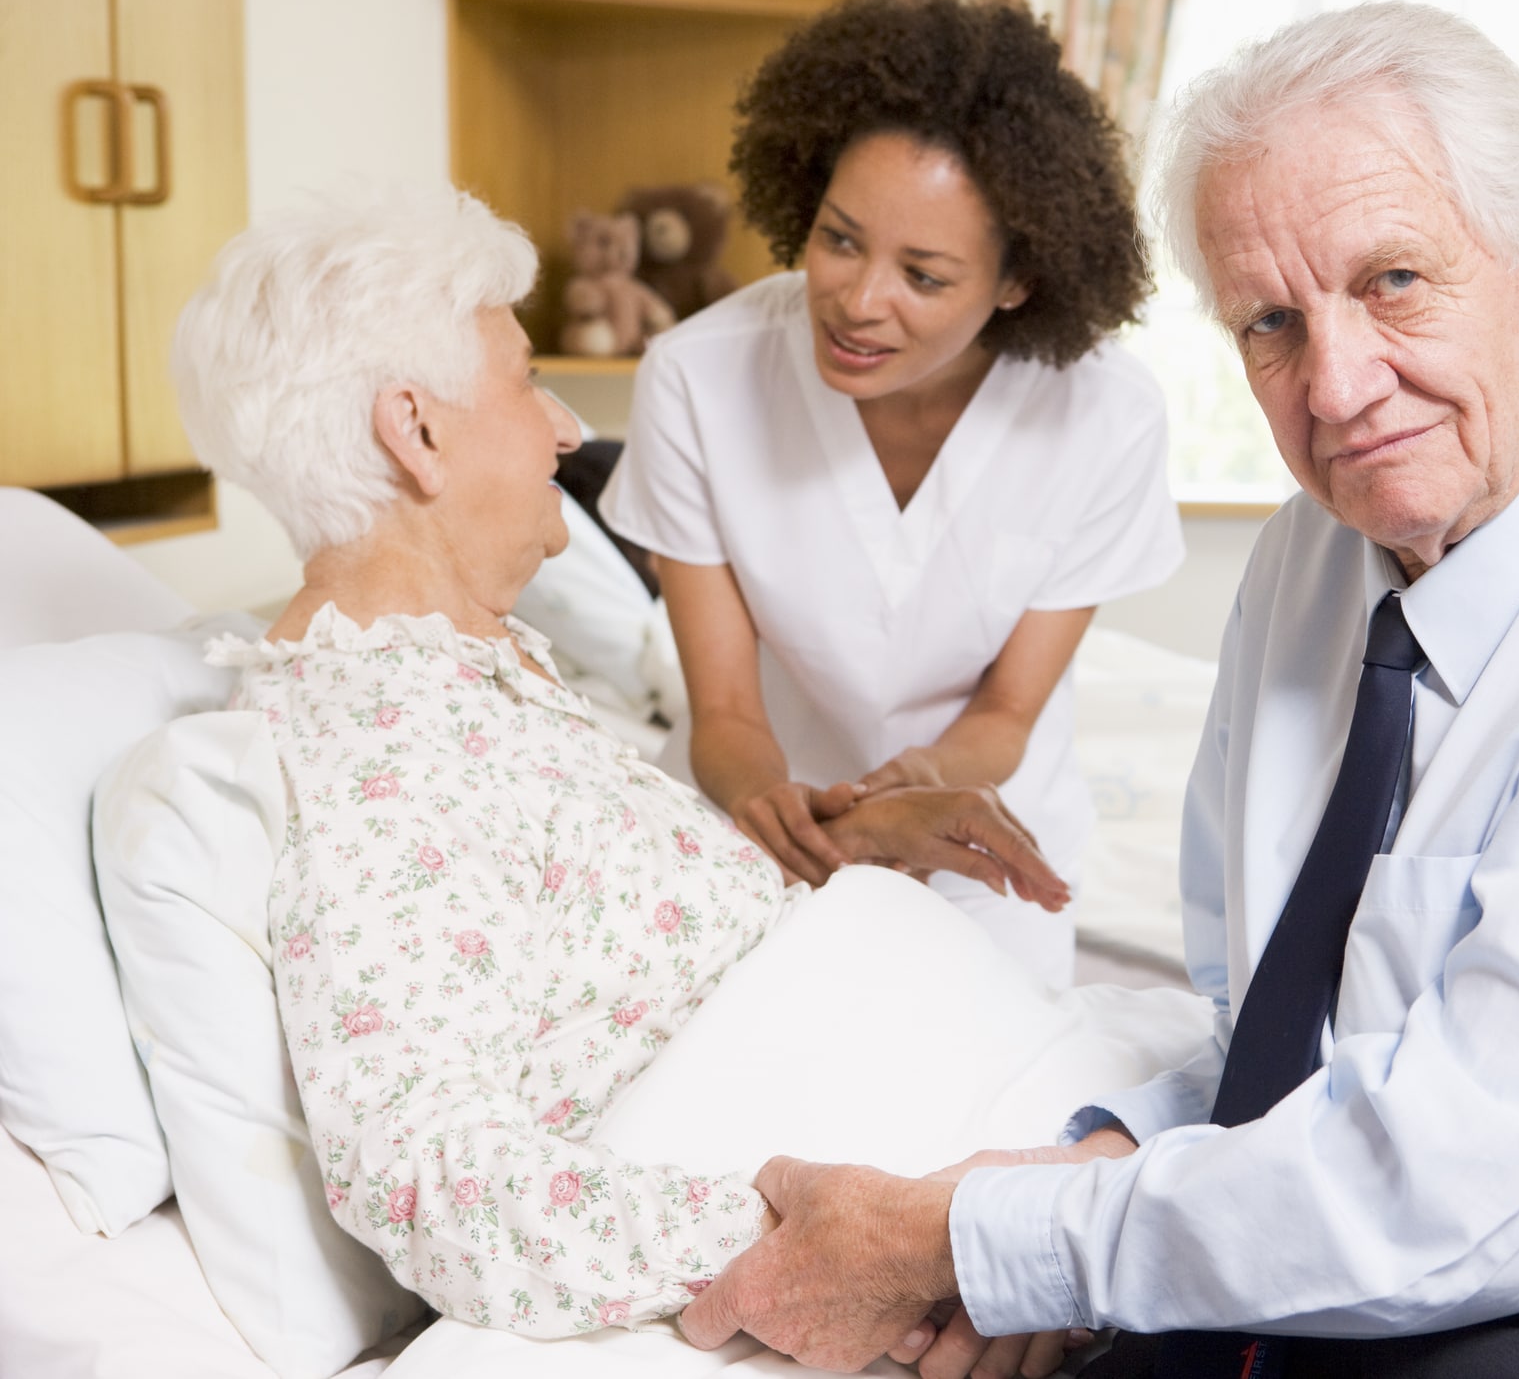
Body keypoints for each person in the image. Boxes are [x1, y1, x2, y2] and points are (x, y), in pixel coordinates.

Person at [675, 1, 1519, 1379]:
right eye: (1270, 323)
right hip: (1379, 1266)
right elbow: (1297, 1034)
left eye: (1392, 282)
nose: (1336, 385)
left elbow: (1496, 1165)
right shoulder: (1311, 564)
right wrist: (1097, 1162)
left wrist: (974, 1234)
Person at [166, 187, 1069, 1339]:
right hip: (936, 1213)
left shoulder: (476, 681)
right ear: (417, 429)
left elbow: (602, 938)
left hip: (1009, 1120)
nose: (561, 428)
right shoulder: (376, 757)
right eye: (524, 376)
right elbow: (445, 1190)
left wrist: (840, 846)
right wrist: (867, 1249)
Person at [599, 0, 1186, 988]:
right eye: (839, 239)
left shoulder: (1106, 418)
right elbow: (728, 714)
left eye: (923, 274)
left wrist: (911, 789)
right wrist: (795, 814)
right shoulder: (698, 378)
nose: (859, 303)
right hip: (755, 818)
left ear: (1017, 282)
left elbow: (1007, 712)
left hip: (976, 832)